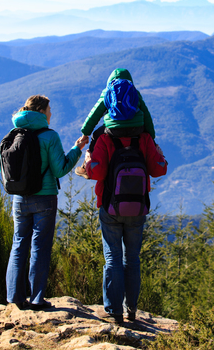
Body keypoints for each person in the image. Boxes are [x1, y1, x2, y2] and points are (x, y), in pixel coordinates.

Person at [4, 95, 88, 310]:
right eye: (49, 109)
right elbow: (60, 169)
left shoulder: (13, 135)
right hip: (45, 199)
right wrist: (77, 149)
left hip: (19, 199)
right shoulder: (50, 136)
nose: (51, 113)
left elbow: (3, 169)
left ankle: (15, 297)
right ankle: (37, 299)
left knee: (18, 244)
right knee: (39, 247)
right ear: (41, 111)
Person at [86, 129, 167, 323]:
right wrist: (160, 154)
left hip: (110, 207)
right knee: (132, 259)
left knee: (112, 257)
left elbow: (97, 172)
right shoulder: (144, 137)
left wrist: (89, 159)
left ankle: (114, 311)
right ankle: (131, 309)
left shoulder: (105, 138)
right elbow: (159, 169)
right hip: (138, 208)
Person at [75, 68, 156, 178]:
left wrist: (85, 133)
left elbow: (94, 114)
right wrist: (152, 138)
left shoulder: (108, 91)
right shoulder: (134, 92)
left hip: (114, 130)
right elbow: (146, 115)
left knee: (96, 135)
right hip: (136, 129)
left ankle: (87, 165)